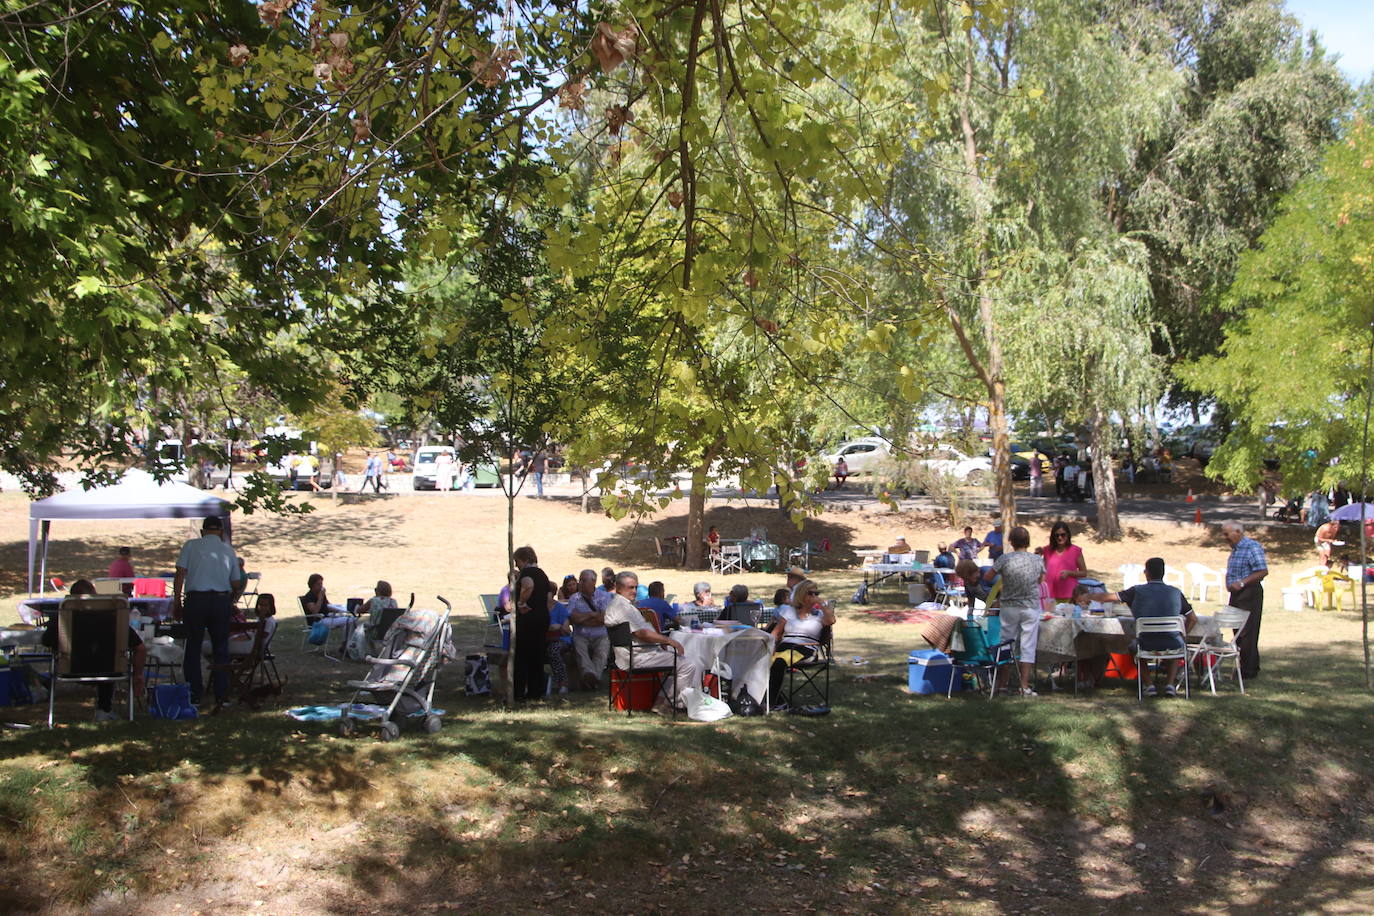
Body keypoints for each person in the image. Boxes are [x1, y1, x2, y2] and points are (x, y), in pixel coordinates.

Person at [43, 578, 147, 721]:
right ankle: (104, 709)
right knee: (108, 656)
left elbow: (46, 640)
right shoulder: (114, 618)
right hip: (109, 669)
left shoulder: (62, 617)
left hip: (71, 668)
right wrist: (138, 675)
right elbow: (140, 648)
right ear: (95, 595)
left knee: (104, 657)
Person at [1092, 558, 1197, 697]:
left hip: (1146, 643)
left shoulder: (1136, 591)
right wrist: (1183, 635)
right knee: (1177, 643)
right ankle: (1170, 685)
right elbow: (1193, 619)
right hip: (1171, 642)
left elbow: (1110, 597)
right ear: (1163, 573)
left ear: (1146, 572)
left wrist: (1088, 595)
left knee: (1134, 647)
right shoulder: (1175, 593)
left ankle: (1149, 685)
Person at [598, 571, 699, 713]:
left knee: (678, 661)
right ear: (619, 588)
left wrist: (661, 642)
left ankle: (662, 701)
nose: (634, 591)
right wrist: (669, 640)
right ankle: (671, 704)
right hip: (637, 657)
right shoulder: (623, 607)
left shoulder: (617, 604)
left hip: (635, 654)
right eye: (630, 588)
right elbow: (642, 633)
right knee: (687, 664)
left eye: (635, 587)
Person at [173, 516, 244, 710]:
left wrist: (176, 601)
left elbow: (180, 573)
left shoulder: (191, 546)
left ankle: (194, 692)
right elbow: (236, 583)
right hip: (220, 600)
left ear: (203, 531)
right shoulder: (228, 551)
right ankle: (222, 694)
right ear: (221, 532)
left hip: (196, 600)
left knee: (193, 647)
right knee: (221, 647)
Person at [768, 578, 837, 710]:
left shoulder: (820, 615)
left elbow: (831, 620)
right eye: (810, 593)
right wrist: (769, 647)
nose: (814, 596)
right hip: (785, 645)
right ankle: (772, 699)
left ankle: (771, 703)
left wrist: (822, 604)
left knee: (779, 662)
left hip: (805, 648)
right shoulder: (788, 611)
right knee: (762, 661)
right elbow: (776, 633)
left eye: (817, 593)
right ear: (801, 594)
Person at [992, 525, 1044, 696]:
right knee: (1028, 645)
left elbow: (987, 576)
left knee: (1006, 643)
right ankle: (1024, 685)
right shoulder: (1037, 560)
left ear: (1011, 542)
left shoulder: (1004, 559)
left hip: (1009, 606)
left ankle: (1002, 684)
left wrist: (1005, 578)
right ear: (1027, 542)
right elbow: (1041, 579)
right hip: (1030, 606)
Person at [1222, 520, 1267, 680]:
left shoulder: (1251, 547)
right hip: (1236, 594)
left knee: (1248, 631)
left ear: (1238, 532)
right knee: (1237, 630)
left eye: (1227, 534)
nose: (1225, 537)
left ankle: (1248, 670)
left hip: (1249, 593)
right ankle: (1247, 665)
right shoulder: (1235, 549)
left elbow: (1262, 571)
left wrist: (1241, 583)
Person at [511, 546, 552, 701]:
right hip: (542, 618)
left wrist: (522, 602)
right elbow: (548, 598)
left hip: (528, 620)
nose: (516, 565)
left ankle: (519, 692)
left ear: (525, 559)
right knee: (537, 657)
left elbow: (528, 585)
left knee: (522, 657)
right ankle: (536, 692)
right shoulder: (542, 574)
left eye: (517, 561)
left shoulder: (528, 573)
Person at [566, 569, 610, 690]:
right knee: (580, 649)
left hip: (600, 634)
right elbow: (574, 618)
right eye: (580, 580)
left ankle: (589, 678)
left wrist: (583, 618)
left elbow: (603, 619)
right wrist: (593, 615)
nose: (580, 583)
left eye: (584, 580)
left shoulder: (604, 597)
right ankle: (592, 679)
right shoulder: (574, 598)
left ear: (593, 582)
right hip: (581, 634)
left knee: (602, 651)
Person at [1043, 521, 1087, 604]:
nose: (1060, 538)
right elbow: (1043, 572)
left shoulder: (1075, 551)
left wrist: (1069, 573)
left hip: (1069, 595)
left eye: (1063, 535)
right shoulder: (1047, 550)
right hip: (1050, 595)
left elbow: (1084, 572)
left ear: (1068, 535)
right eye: (1057, 535)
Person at [546, 578, 574, 694]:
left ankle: (563, 683)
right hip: (544, 639)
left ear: (552, 594)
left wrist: (559, 627)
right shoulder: (539, 608)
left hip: (561, 639)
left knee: (554, 650)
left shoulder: (559, 608)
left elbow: (567, 630)